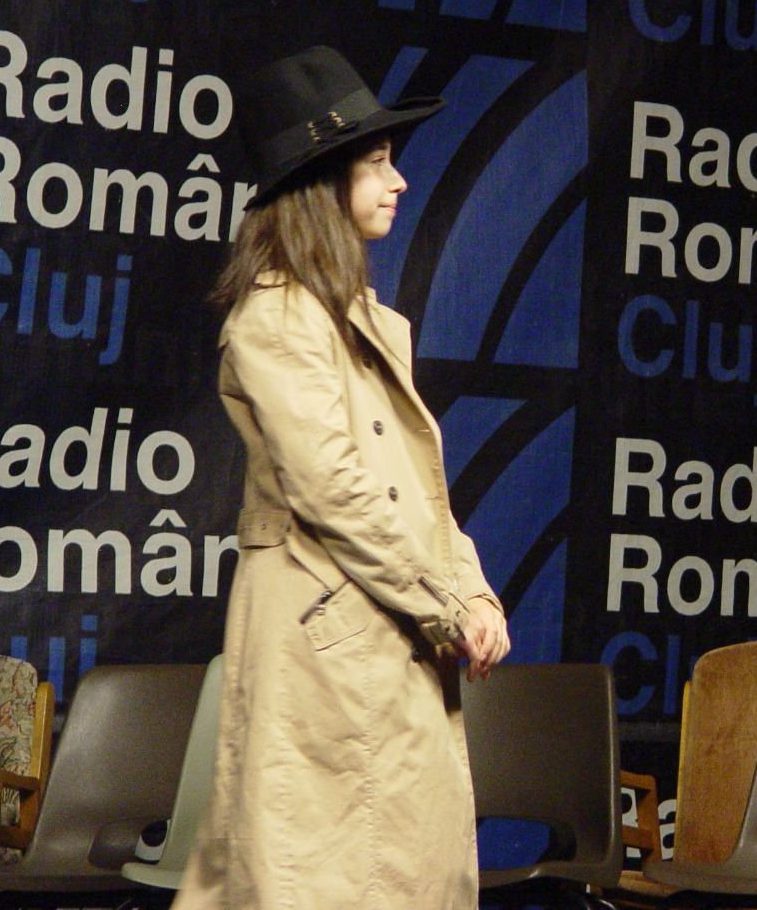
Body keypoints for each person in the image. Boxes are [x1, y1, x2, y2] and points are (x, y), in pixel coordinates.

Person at [173, 47, 510, 910]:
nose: (397, 183)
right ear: (324, 184)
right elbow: (338, 491)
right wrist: (445, 602)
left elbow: (417, 491)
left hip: (384, 638)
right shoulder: (275, 317)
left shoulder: (366, 321)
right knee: (320, 880)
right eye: (376, 164)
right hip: (328, 655)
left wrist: (475, 591)